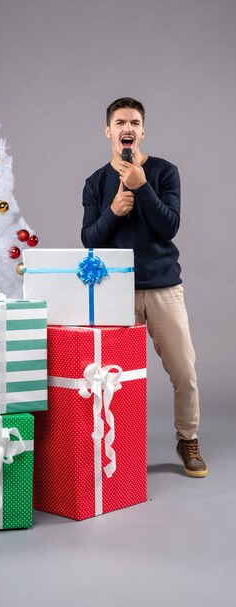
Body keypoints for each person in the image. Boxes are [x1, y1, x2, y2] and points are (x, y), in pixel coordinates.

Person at [81, 97, 207, 477]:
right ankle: (117, 451)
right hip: (116, 292)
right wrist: (114, 210)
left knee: (184, 373)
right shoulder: (95, 183)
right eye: (120, 122)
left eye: (134, 122)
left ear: (142, 130)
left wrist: (142, 186)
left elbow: (169, 226)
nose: (128, 128)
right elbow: (90, 241)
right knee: (114, 381)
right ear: (108, 130)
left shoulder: (166, 172)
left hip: (164, 287)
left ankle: (188, 440)